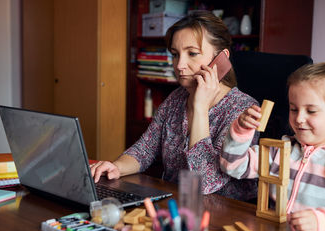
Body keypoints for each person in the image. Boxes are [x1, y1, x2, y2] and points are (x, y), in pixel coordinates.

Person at [91, 11, 259, 201]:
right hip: (175, 205)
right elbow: (146, 149)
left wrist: (200, 108)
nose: (180, 65)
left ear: (221, 58)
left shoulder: (243, 109)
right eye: (175, 54)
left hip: (223, 214)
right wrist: (116, 167)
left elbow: (204, 182)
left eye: (192, 53)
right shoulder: (176, 98)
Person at [220, 59, 325, 231]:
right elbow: (233, 166)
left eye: (311, 111)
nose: (299, 118)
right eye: (293, 109)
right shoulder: (281, 151)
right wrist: (240, 130)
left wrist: (324, 221)